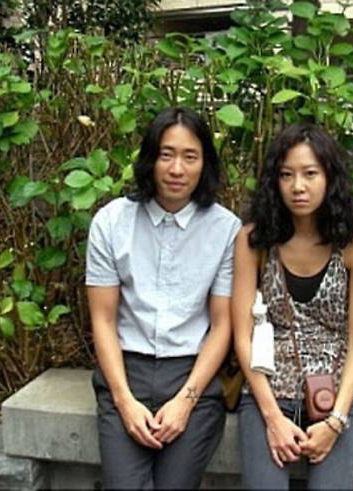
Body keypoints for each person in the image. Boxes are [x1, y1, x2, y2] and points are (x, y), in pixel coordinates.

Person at [86, 107, 241, 489]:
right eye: (166, 155)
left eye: (190, 157)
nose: (176, 169)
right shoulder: (111, 222)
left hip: (193, 374)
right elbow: (103, 320)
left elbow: (222, 325)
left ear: (204, 164)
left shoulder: (226, 229)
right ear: (150, 159)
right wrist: (124, 400)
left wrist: (186, 400)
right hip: (126, 371)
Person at [232, 123, 353, 490]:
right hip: (267, 389)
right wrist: (272, 417)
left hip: (333, 394)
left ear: (329, 178)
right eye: (286, 175)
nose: (298, 186)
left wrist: (336, 421)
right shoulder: (254, 239)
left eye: (310, 174)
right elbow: (242, 336)